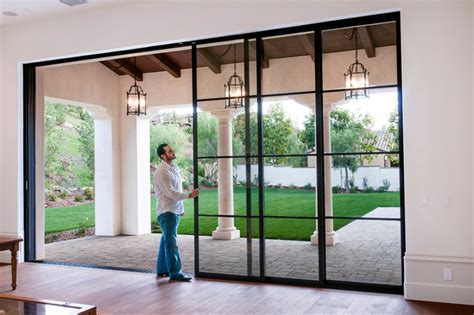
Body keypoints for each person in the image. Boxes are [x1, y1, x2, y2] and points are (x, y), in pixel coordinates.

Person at [154, 143, 199, 281]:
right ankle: (175, 273)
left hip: (173, 210)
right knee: (170, 243)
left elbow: (176, 188)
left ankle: (162, 270)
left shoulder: (173, 168)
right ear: (163, 155)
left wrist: (180, 209)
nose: (173, 151)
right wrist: (189, 195)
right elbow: (171, 193)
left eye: (172, 149)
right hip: (167, 211)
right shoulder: (162, 171)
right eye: (169, 151)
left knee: (166, 241)